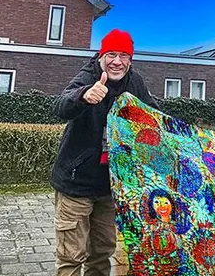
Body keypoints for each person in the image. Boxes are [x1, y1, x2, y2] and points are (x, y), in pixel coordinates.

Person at [50, 28, 159, 276]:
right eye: (111, 54)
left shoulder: (135, 82)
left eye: (124, 56)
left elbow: (155, 118)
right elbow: (59, 105)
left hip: (112, 185)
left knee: (102, 253)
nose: (117, 61)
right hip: (76, 183)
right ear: (101, 56)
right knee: (71, 256)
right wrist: (83, 96)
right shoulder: (88, 76)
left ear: (130, 60)